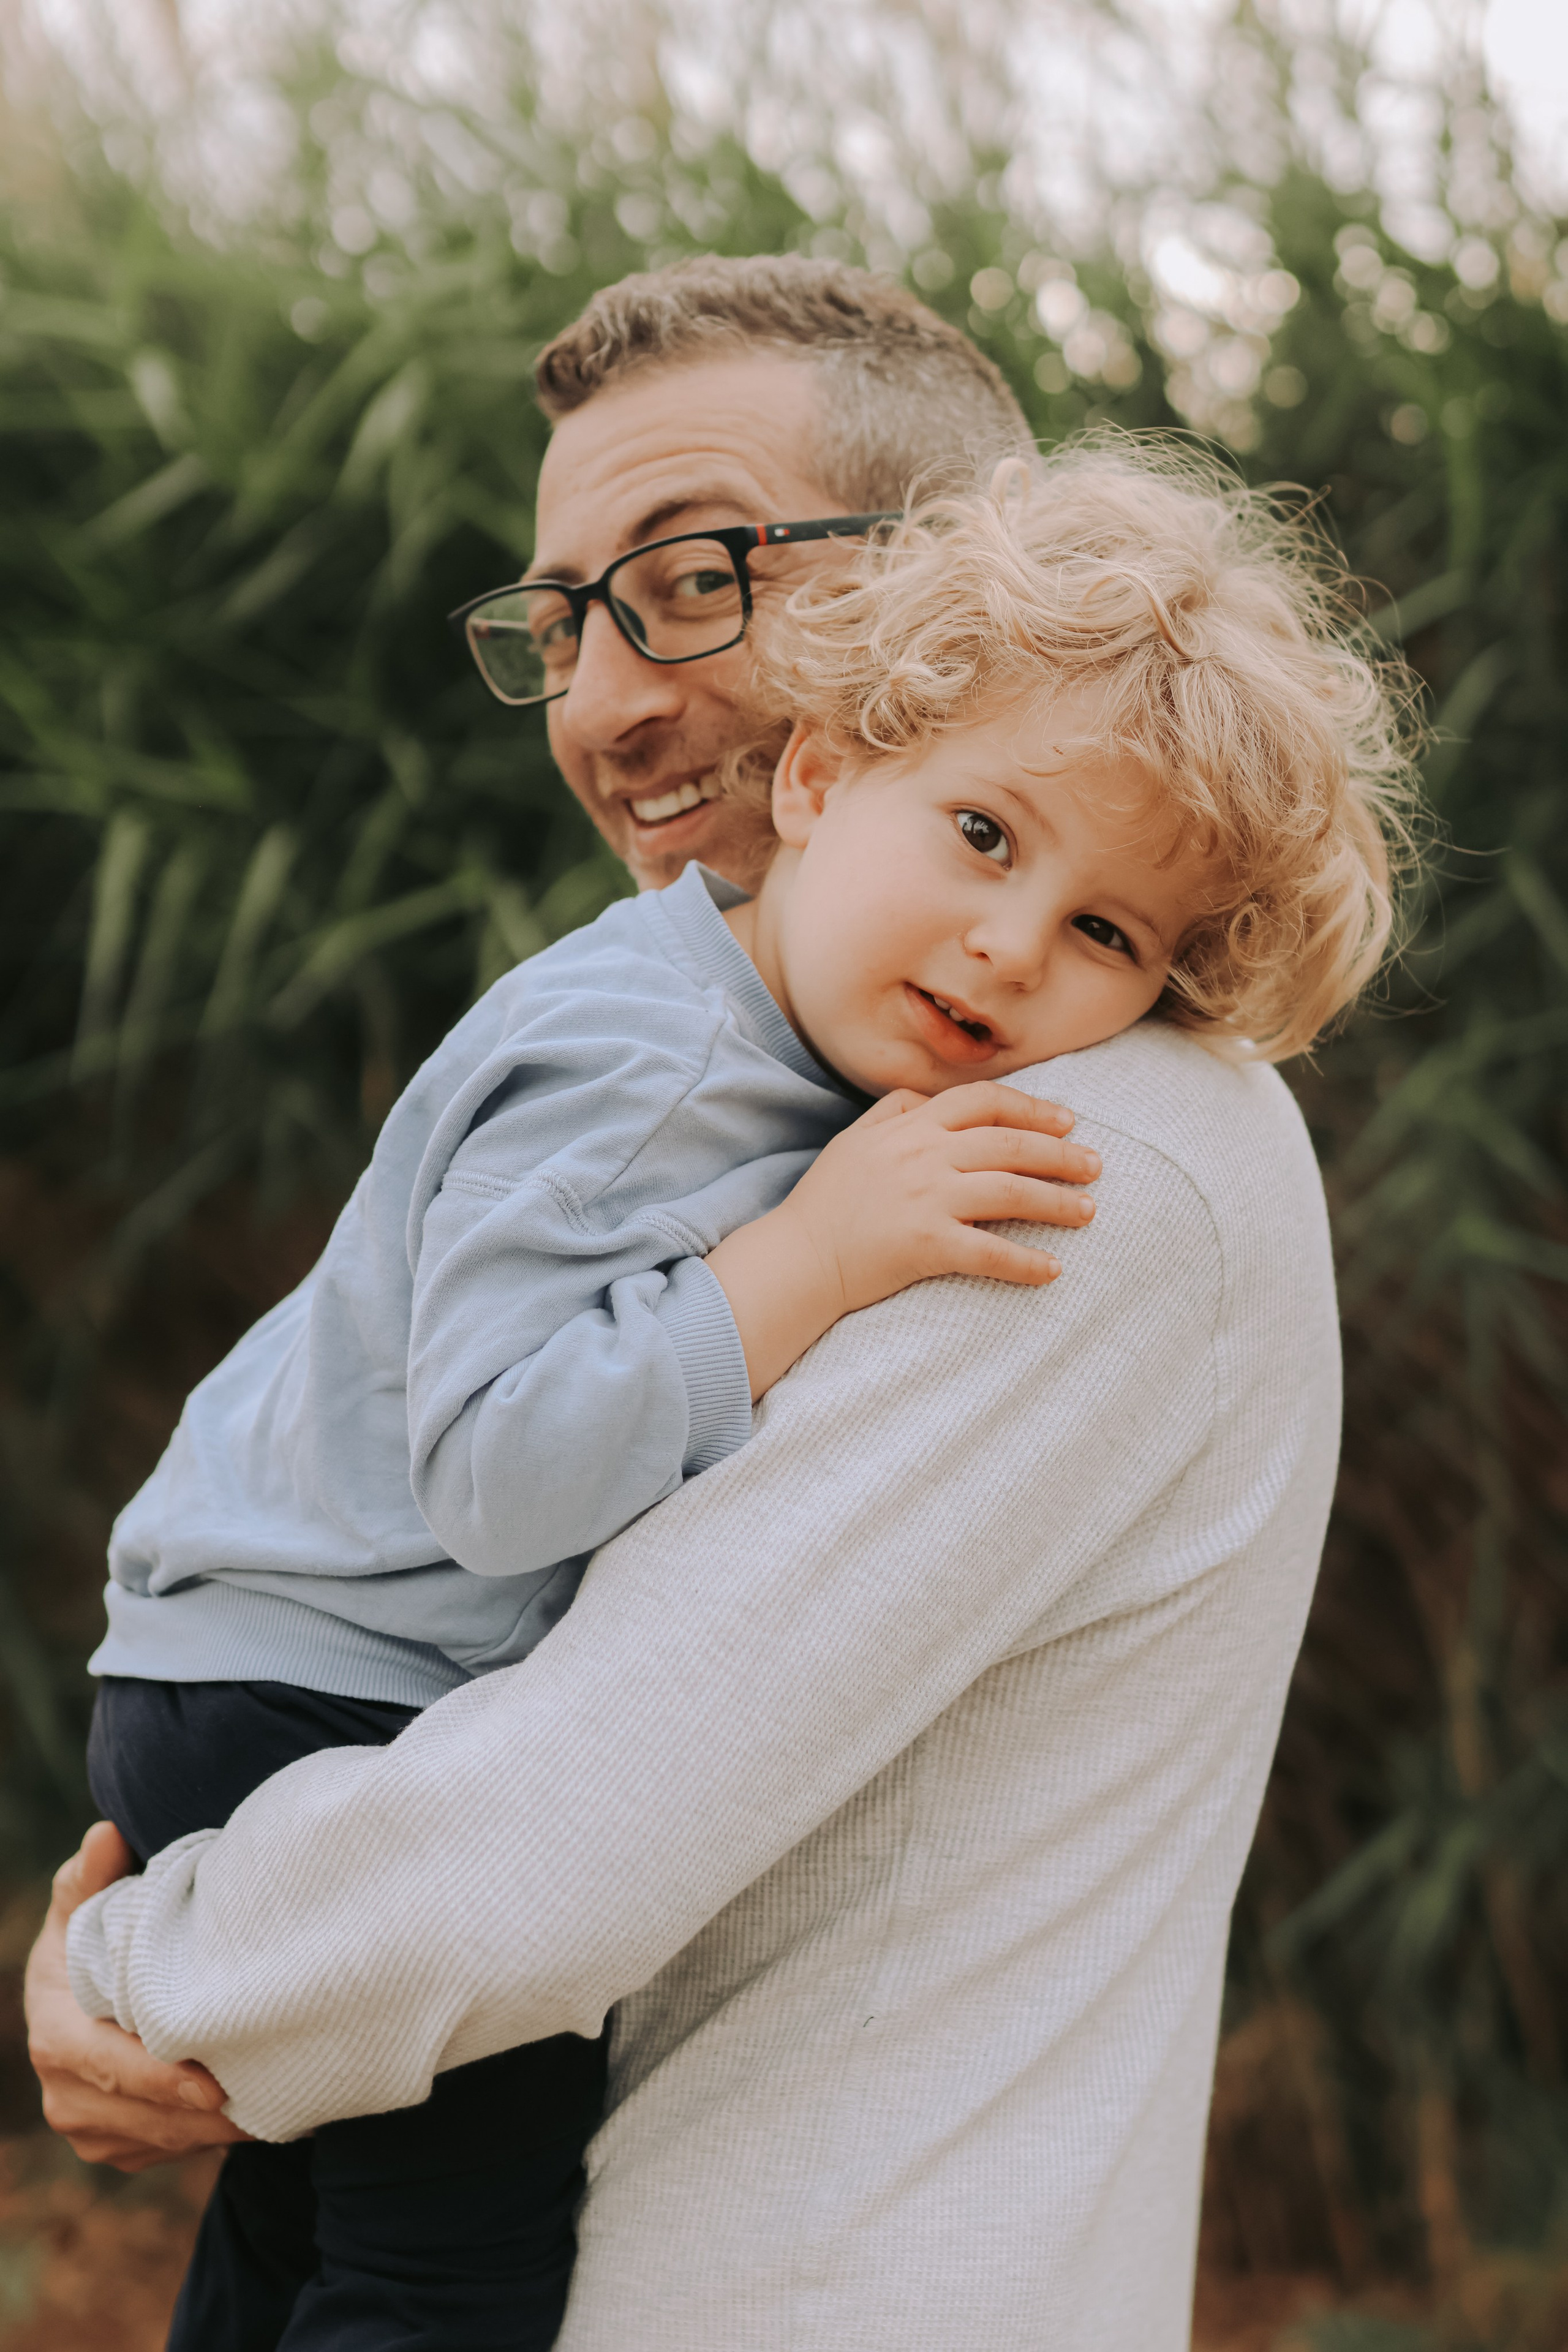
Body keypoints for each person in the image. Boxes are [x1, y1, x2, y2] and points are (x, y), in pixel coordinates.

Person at [28, 258, 1414, 2352]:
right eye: (565, 619)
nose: (599, 700)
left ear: (950, 592)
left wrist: (140, 1972)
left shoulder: (1071, 1151)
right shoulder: (753, 1075)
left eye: (689, 582)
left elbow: (556, 1840)